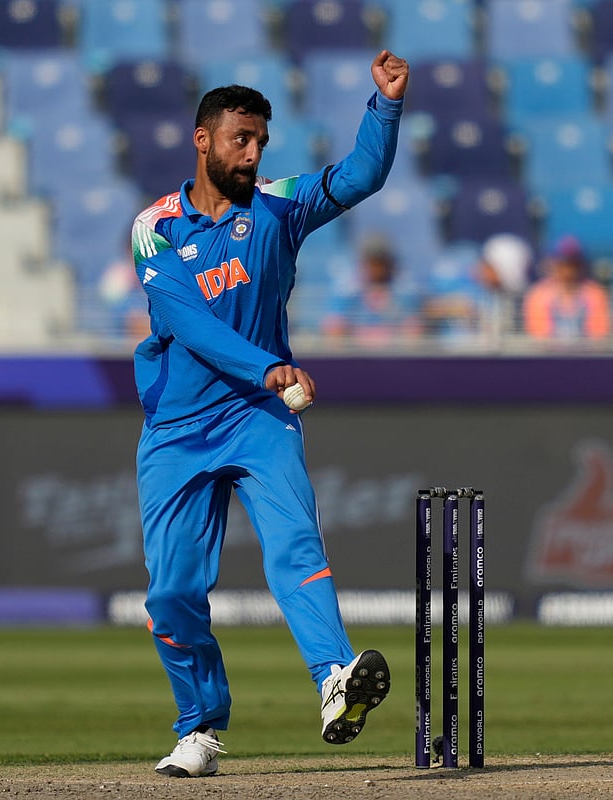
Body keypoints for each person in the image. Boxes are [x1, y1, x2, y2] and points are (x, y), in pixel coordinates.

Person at [129, 51, 409, 778]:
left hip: (258, 416)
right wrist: (267, 364)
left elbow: (359, 177)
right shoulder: (156, 227)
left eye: (260, 141)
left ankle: (333, 678)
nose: (252, 154)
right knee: (172, 594)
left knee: (294, 546)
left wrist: (384, 106)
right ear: (203, 140)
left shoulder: (279, 205)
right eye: (239, 141)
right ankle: (199, 728)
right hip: (178, 429)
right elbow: (185, 320)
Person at [321, 234, 425, 346]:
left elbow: (412, 321)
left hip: (394, 348)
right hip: (354, 347)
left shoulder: (403, 288)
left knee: (413, 327)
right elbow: (333, 321)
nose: (377, 268)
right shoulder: (347, 288)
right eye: (372, 262)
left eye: (381, 262)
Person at [523, 235, 612, 341]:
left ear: (581, 265)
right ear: (552, 264)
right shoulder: (537, 295)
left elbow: (599, 338)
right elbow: (539, 339)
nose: (567, 271)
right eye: (562, 265)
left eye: (572, 264)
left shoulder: (596, 294)